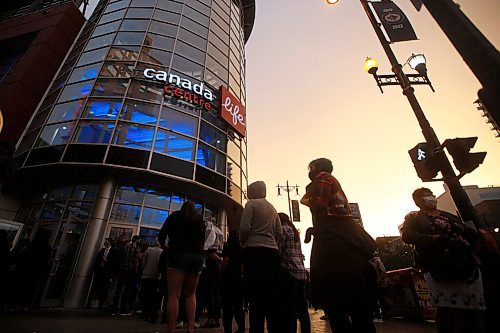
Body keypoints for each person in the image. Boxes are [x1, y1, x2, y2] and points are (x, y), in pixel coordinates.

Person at [301, 158, 377, 333]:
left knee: (336, 301)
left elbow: (318, 202)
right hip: (348, 241)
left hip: (335, 243)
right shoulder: (331, 180)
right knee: (358, 307)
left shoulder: (323, 178)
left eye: (310, 167)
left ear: (317, 167)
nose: (309, 171)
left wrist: (305, 199)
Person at [401, 187, 486, 333]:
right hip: (439, 266)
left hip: (466, 263)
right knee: (448, 309)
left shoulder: (449, 216)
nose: (431, 197)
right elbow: (407, 236)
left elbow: (467, 232)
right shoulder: (414, 218)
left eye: (431, 194)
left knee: (472, 308)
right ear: (418, 201)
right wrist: (432, 239)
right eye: (426, 196)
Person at [239, 181, 283, 333]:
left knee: (255, 297)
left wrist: (243, 241)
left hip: (254, 251)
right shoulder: (273, 208)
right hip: (272, 254)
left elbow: (244, 227)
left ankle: (256, 329)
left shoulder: (251, 204)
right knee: (271, 297)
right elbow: (279, 233)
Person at [158, 201, 206, 333]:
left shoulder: (174, 217)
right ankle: (190, 328)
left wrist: (165, 248)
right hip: (196, 257)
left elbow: (161, 236)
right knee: (191, 294)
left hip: (177, 254)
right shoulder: (200, 220)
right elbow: (202, 241)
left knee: (173, 296)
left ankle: (171, 329)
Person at [277, 213, 311, 333]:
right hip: (301, 272)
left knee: (290, 308)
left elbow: (279, 249)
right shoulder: (294, 231)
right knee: (302, 308)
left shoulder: (283, 230)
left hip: (289, 272)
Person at [220, 229, 245, 333]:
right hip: (238, 278)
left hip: (227, 277)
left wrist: (221, 270)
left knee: (227, 307)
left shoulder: (227, 245)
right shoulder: (242, 247)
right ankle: (241, 328)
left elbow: (225, 260)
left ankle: (227, 329)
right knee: (238, 305)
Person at [112, 235, 140, 315]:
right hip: (130, 272)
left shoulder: (125, 248)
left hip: (122, 271)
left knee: (118, 290)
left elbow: (120, 259)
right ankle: (123, 309)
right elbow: (135, 262)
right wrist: (135, 272)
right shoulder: (136, 249)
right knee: (127, 291)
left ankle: (114, 308)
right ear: (137, 240)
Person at [86, 238, 117, 309]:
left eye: (107, 241)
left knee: (104, 288)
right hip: (99, 271)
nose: (105, 242)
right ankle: (89, 304)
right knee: (94, 287)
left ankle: (100, 304)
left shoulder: (113, 252)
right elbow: (97, 259)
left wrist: (107, 261)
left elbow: (114, 263)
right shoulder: (102, 250)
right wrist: (95, 268)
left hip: (106, 272)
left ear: (110, 242)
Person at [140, 241, 163, 323]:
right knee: (155, 297)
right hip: (156, 277)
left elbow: (143, 263)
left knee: (145, 296)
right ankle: (152, 315)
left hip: (146, 275)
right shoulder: (161, 252)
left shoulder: (148, 250)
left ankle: (144, 314)